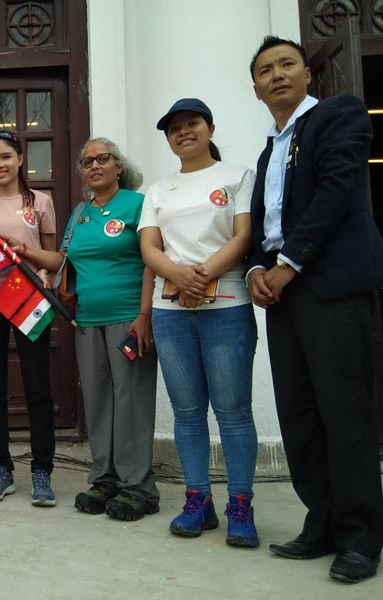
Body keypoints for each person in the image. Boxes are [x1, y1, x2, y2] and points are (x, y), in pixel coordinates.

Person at [247, 36, 383, 582]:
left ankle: (361, 536)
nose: (276, 75)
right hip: (283, 294)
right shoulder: (269, 149)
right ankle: (321, 521)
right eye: (264, 70)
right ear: (254, 88)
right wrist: (258, 268)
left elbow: (334, 192)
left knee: (344, 414)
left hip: (329, 286)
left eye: (286, 65)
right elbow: (264, 223)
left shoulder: (337, 116)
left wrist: (289, 263)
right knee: (299, 414)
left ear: (307, 73)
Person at [139, 99, 260, 547]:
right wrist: (177, 276)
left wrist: (201, 276)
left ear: (210, 127)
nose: (183, 132)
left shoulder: (237, 176)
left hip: (227, 306)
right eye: (174, 128)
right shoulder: (159, 190)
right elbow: (150, 248)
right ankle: (198, 501)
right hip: (172, 313)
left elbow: (244, 237)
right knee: (187, 415)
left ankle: (241, 506)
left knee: (233, 413)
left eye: (192, 124)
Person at [64, 138, 159, 520]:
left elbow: (153, 260)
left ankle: (139, 487)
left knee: (131, 399)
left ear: (119, 166)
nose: (95, 166)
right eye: (87, 162)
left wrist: (146, 314)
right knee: (99, 402)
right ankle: (105, 478)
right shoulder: (79, 213)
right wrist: (22, 250)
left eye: (103, 159)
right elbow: (65, 258)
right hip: (87, 321)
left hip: (128, 317)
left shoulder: (139, 205)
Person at [0, 130, 58, 507]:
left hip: (28, 296)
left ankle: (42, 471)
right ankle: (0, 469)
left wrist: (27, 251)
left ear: (20, 159)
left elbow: (54, 260)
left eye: (5, 156)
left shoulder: (41, 202)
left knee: (37, 385)